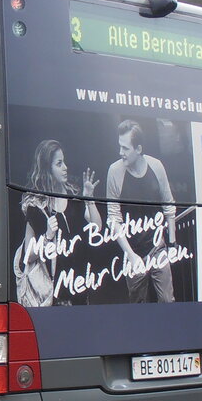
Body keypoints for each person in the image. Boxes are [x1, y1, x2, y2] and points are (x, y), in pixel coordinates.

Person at [15, 139, 102, 307]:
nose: (65, 167)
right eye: (59, 163)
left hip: (79, 284)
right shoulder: (37, 205)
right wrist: (47, 236)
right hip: (52, 291)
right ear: (48, 168)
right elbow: (28, 255)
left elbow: (96, 227)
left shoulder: (73, 194)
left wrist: (89, 199)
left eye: (64, 162)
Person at [106, 120, 178, 303]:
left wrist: (171, 243)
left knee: (168, 301)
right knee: (138, 305)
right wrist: (130, 255)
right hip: (133, 249)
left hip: (157, 246)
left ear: (138, 149)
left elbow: (168, 205)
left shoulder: (156, 166)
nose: (120, 153)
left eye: (125, 148)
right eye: (119, 147)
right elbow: (113, 218)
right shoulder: (114, 171)